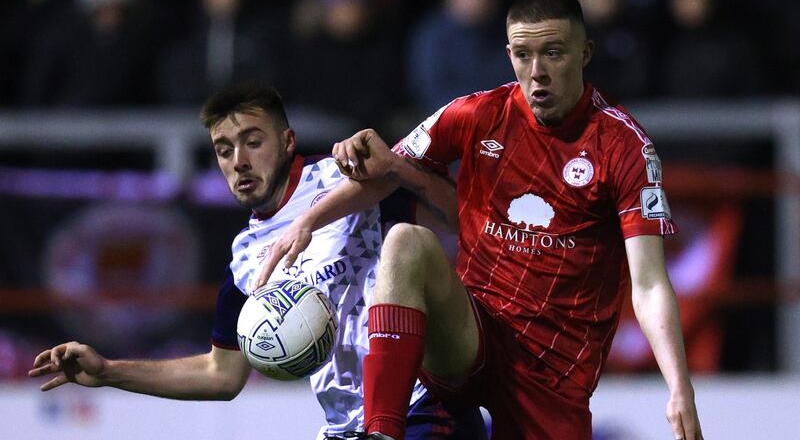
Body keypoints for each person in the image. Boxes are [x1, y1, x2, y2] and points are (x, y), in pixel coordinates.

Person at [256, 0, 704, 439]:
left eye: (553, 53)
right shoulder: (479, 113)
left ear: (584, 53)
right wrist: (307, 221)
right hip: (474, 333)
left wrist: (679, 387)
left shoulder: (624, 146)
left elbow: (648, 285)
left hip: (553, 373)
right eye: (523, 55)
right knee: (406, 242)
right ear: (508, 54)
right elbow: (387, 172)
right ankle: (380, 432)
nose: (537, 72)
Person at [27, 82, 487, 440]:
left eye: (252, 141)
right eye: (224, 150)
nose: (239, 161)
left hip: (422, 408)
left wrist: (396, 168)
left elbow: (461, 218)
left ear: (288, 141)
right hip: (346, 427)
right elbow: (221, 375)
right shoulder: (247, 257)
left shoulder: (346, 176)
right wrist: (109, 371)